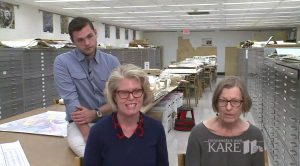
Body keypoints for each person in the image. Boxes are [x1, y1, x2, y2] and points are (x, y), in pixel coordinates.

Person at [53, 17, 120, 157]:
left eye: (90, 36)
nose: (87, 43)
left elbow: (118, 100)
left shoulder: (112, 62)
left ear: (95, 33)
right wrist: (88, 136)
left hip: (109, 119)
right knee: (89, 154)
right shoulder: (62, 62)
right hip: (80, 125)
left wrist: (96, 113)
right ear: (73, 41)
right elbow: (72, 102)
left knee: (123, 152)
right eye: (80, 40)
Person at [84, 64, 169, 166]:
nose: (131, 98)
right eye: (124, 93)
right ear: (114, 96)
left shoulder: (156, 129)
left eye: (137, 91)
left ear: (144, 93)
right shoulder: (98, 132)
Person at [185, 76, 264, 166]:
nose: (228, 108)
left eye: (235, 101)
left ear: (244, 103)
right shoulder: (198, 134)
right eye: (223, 101)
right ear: (216, 103)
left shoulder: (254, 135)